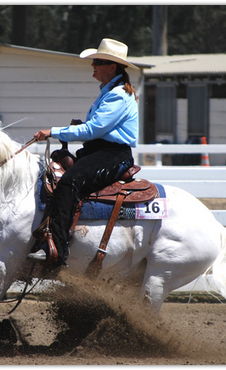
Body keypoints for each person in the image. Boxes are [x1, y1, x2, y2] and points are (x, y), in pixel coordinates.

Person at [28, 38, 139, 265]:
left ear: (112, 67)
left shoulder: (117, 94)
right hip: (102, 151)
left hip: (112, 154)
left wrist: (53, 131)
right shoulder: (111, 92)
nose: (93, 65)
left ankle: (56, 249)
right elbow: (96, 128)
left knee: (69, 182)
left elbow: (94, 129)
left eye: (98, 61)